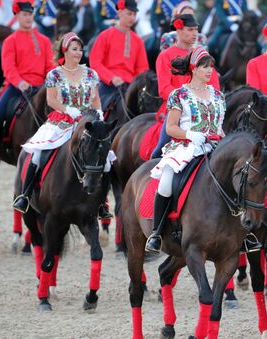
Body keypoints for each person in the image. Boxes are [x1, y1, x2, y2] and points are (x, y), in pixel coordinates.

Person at [13, 32, 109, 213]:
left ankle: (102, 203)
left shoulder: (91, 74)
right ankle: (25, 195)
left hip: (87, 120)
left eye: (80, 49)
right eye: (74, 49)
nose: (78, 52)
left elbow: (95, 98)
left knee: (107, 159)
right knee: (37, 153)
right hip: (62, 120)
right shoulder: (54, 74)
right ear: (65, 51)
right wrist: (68, 110)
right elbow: (51, 100)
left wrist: (99, 114)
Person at [145, 46, 225, 253]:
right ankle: (157, 231)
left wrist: (223, 137)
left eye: (211, 67)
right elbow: (171, 128)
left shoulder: (217, 95)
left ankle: (243, 232)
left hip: (213, 147)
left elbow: (218, 127)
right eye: (205, 67)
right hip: (186, 146)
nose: (210, 71)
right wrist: (190, 134)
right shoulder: (178, 94)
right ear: (193, 68)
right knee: (167, 181)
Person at [151, 14, 220, 158]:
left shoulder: (202, 55)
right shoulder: (165, 56)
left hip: (204, 111)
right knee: (160, 148)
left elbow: (215, 87)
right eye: (190, 29)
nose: (195, 33)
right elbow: (164, 89)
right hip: (175, 111)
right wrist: (187, 101)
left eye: (196, 29)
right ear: (179, 30)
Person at [0, 0, 55, 161]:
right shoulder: (10, 41)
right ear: (17, 16)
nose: (28, 18)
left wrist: (50, 81)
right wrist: (20, 82)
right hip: (16, 86)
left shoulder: (44, 40)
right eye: (25, 15)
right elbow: (8, 68)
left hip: (41, 87)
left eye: (30, 15)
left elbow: (50, 65)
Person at [89, 0, 149, 111]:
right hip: (108, 85)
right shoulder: (105, 36)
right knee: (96, 115)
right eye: (129, 13)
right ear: (120, 13)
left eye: (134, 14)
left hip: (130, 87)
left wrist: (135, 84)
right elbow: (95, 62)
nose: (132, 18)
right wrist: (112, 78)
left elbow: (142, 68)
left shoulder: (138, 40)